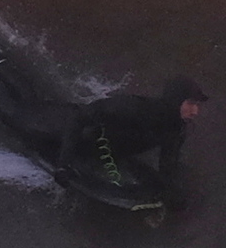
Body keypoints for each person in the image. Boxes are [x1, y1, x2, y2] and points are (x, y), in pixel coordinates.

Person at [58, 75, 209, 191]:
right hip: (73, 135)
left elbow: (167, 166)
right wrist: (64, 165)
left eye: (196, 105)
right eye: (191, 103)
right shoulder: (133, 108)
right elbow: (77, 118)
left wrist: (171, 192)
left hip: (110, 152)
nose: (195, 111)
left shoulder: (176, 129)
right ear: (176, 101)